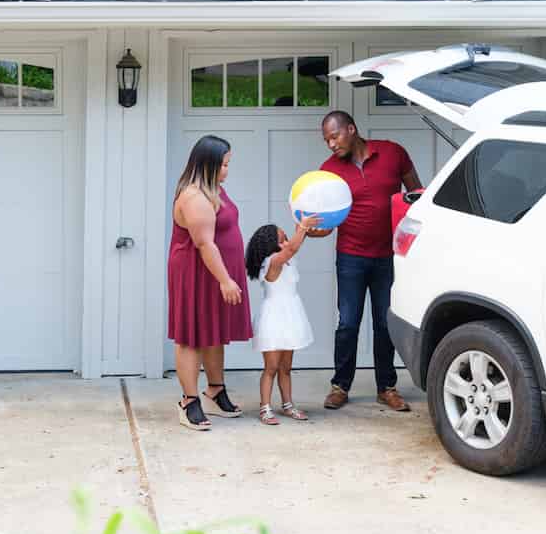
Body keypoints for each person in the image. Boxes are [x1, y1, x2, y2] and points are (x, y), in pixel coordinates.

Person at [319, 110, 422, 413]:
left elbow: (415, 194)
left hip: (387, 257)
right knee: (348, 323)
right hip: (350, 256)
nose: (330, 144)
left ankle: (386, 388)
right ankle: (340, 386)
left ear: (351, 129)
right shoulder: (329, 170)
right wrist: (313, 230)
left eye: (334, 136)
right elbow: (325, 223)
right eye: (326, 139)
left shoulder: (393, 153)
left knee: (384, 324)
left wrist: (410, 237)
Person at [167, 135, 252, 431]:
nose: (228, 169)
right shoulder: (194, 197)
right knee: (191, 335)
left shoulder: (215, 189)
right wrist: (226, 280)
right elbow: (204, 244)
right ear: (208, 164)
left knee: (214, 331)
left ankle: (215, 391)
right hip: (195, 271)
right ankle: (189, 401)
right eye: (224, 164)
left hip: (215, 270)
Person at [244, 217, 320, 425]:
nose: (287, 241)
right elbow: (293, 247)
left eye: (287, 237)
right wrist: (302, 228)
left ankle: (288, 405)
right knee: (271, 367)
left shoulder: (287, 259)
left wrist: (301, 228)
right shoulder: (272, 262)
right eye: (282, 238)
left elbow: (295, 245)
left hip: (291, 317)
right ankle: (265, 408)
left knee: (286, 368)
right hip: (274, 318)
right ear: (272, 246)